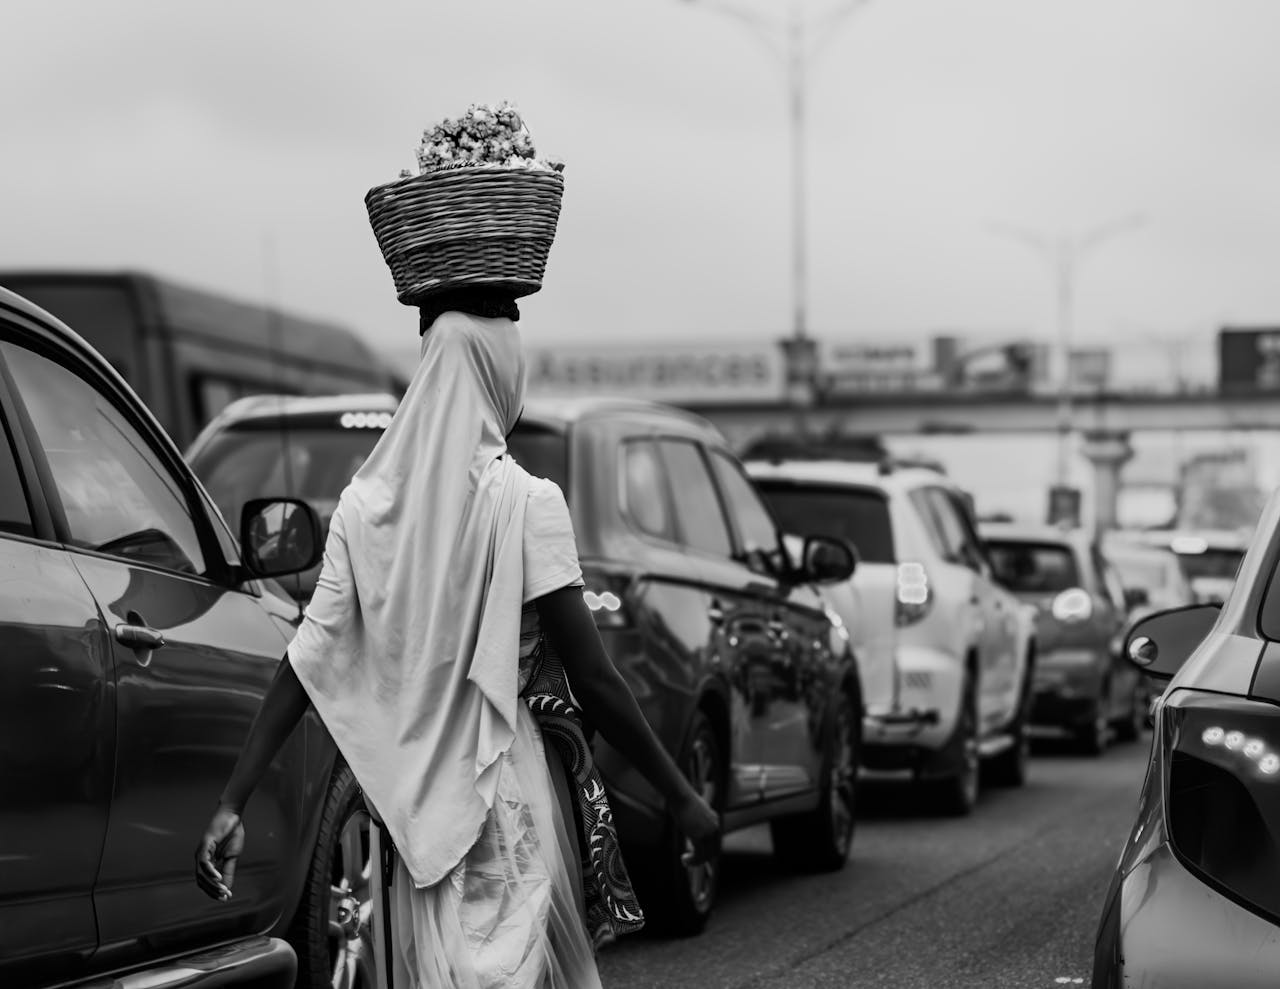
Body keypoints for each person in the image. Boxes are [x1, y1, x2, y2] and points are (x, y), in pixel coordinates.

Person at [194, 291, 720, 988]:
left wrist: (232, 800)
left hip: (417, 820)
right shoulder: (527, 503)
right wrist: (681, 793)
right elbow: (595, 679)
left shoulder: (361, 506)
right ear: (503, 377)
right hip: (507, 799)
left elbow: (305, 661)